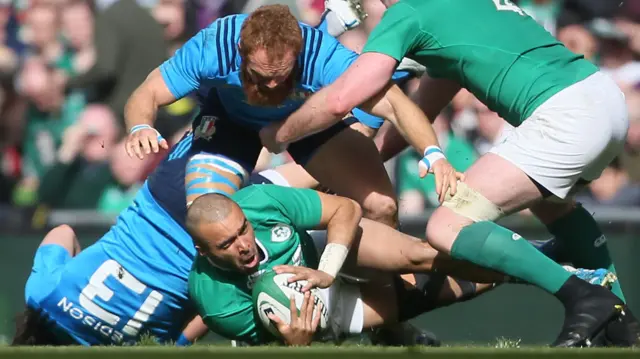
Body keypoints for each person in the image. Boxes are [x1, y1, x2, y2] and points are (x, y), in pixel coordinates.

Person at [258, 0, 639, 347]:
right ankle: (621, 321)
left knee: (446, 228)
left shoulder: (409, 12)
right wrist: (353, 167)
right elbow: (416, 116)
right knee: (550, 206)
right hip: (602, 99)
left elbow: (343, 96)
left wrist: (282, 133)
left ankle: (585, 298)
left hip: (566, 115)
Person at [123, 4, 460, 230]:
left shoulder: (319, 54)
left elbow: (396, 105)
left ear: (297, 54)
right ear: (241, 52)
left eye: (280, 76)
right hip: (229, 118)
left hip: (301, 119)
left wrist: (434, 153)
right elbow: (148, 92)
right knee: (211, 223)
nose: (269, 86)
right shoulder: (215, 46)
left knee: (382, 207)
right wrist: (140, 125)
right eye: (259, 75)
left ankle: (385, 313)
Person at [186, 185, 617, 346]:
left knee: (420, 255)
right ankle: (545, 260)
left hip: (323, 255)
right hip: (317, 314)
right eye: (227, 243)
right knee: (411, 300)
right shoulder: (216, 301)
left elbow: (344, 210)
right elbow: (289, 345)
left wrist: (329, 268)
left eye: (242, 230)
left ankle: (563, 275)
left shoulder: (260, 204)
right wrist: (298, 341)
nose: (244, 244)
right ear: (205, 254)